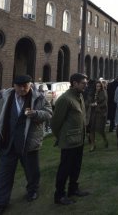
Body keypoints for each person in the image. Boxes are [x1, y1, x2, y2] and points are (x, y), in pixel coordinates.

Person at [0, 75, 52, 215]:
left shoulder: (38, 97)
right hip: (7, 142)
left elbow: (49, 114)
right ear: (14, 85)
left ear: (30, 85)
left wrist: (35, 113)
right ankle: (0, 202)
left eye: (26, 85)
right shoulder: (4, 97)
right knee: (4, 175)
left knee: (32, 171)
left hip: (28, 142)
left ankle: (33, 191)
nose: (23, 89)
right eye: (20, 86)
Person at [51, 73, 90, 206]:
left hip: (79, 140)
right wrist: (62, 137)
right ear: (74, 83)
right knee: (65, 169)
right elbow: (55, 123)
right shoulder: (65, 99)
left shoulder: (79, 96)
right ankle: (60, 195)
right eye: (83, 83)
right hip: (69, 141)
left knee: (76, 167)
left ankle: (73, 189)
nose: (86, 85)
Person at [86, 81, 108, 151]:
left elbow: (104, 104)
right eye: (96, 86)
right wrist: (90, 104)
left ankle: (105, 140)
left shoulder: (103, 93)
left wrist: (97, 105)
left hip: (100, 113)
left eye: (99, 86)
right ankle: (93, 145)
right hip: (92, 113)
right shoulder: (91, 93)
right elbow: (88, 102)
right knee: (91, 129)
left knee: (100, 130)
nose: (98, 87)